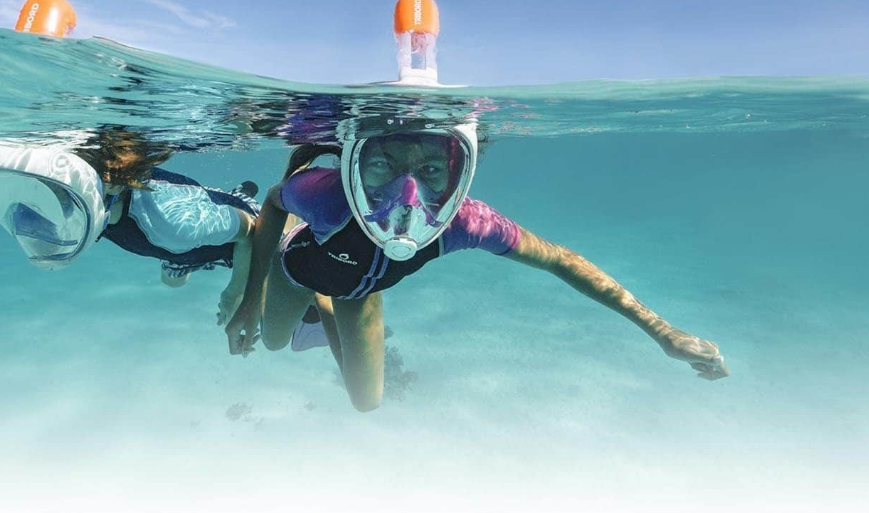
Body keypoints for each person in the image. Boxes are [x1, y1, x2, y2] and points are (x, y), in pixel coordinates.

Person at [225, 117, 730, 412]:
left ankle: (327, 306)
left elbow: (560, 260)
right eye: (382, 165)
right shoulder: (326, 194)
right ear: (356, 165)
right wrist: (250, 300)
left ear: (457, 175)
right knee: (274, 344)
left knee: (366, 404)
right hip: (296, 270)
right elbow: (273, 201)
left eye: (430, 170)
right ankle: (310, 291)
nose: (407, 199)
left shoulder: (466, 221)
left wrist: (663, 333)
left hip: (361, 294)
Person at [0, 129, 260, 325]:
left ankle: (236, 197)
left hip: (248, 235)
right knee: (173, 278)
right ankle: (200, 235)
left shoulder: (170, 224)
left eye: (65, 197)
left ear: (111, 186)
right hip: (176, 243)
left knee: (274, 331)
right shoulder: (102, 203)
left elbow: (250, 230)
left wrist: (236, 293)